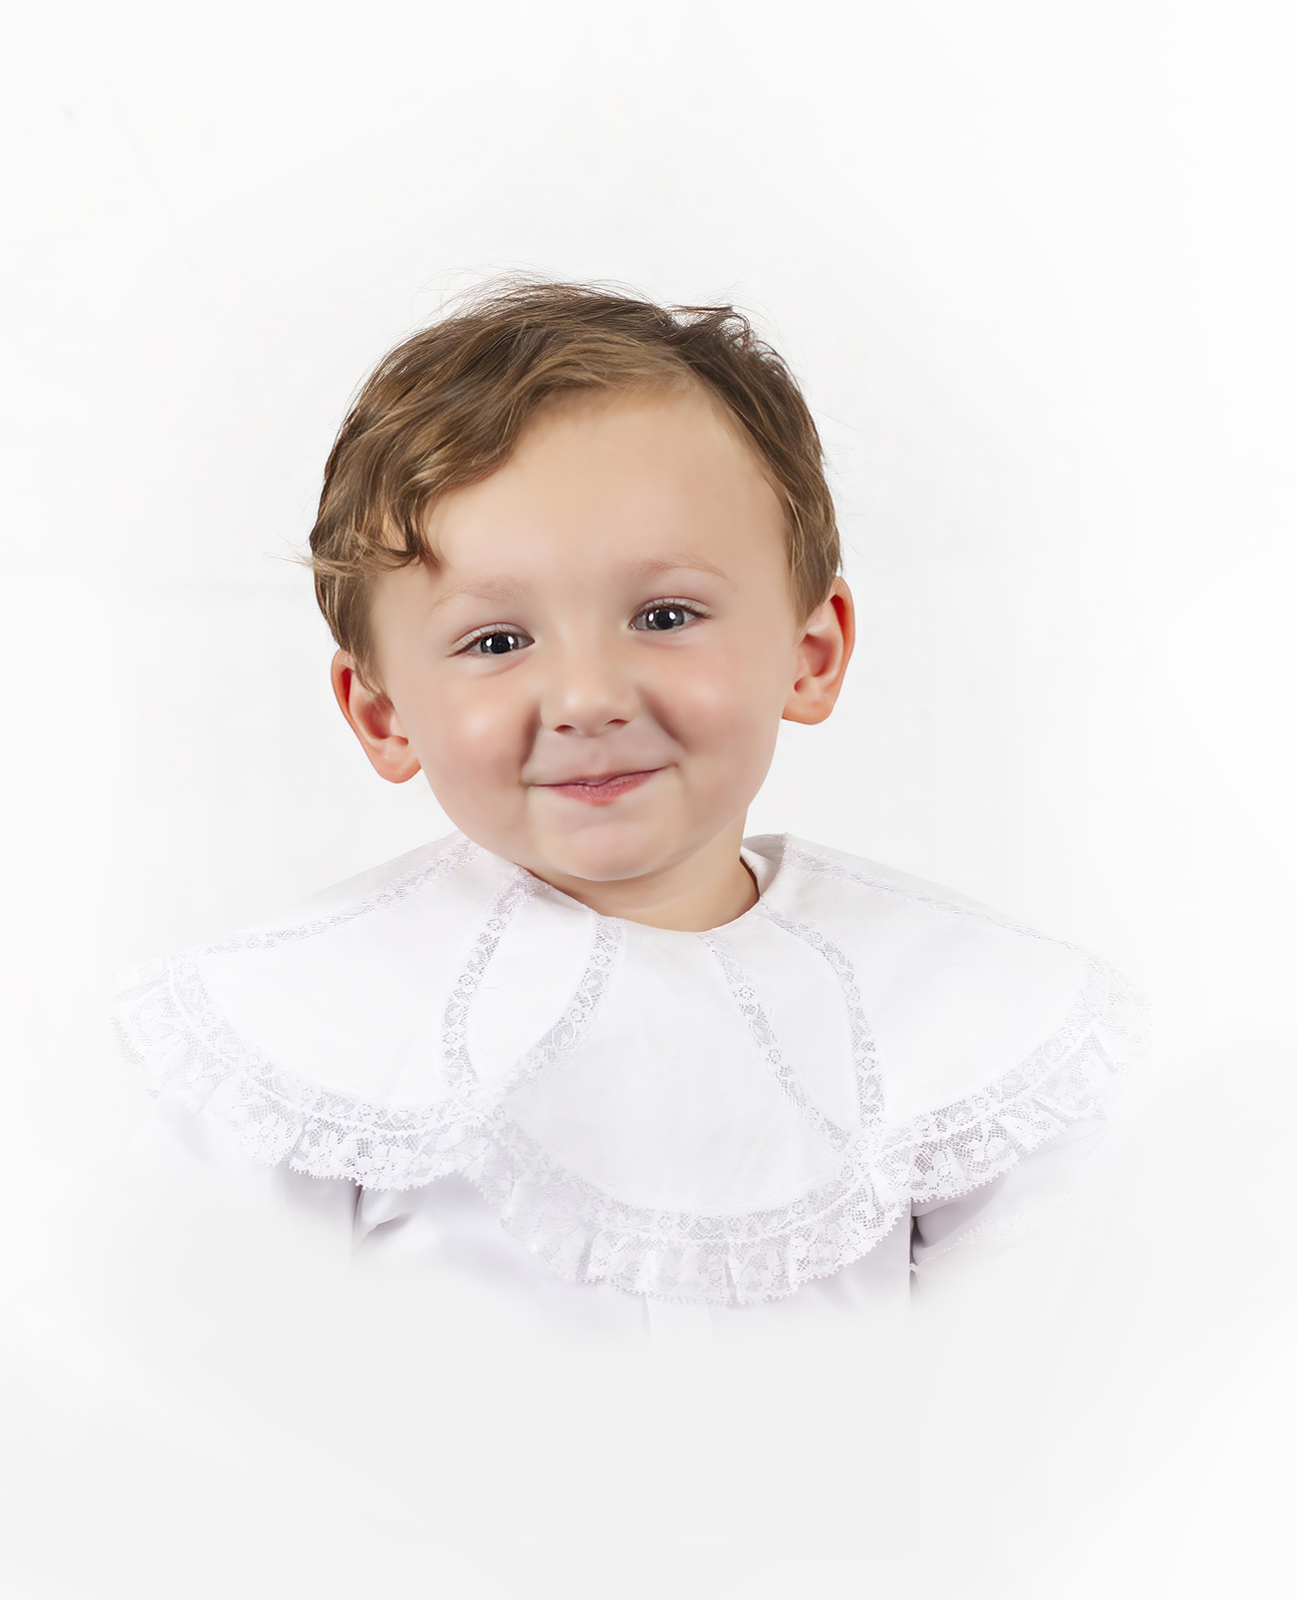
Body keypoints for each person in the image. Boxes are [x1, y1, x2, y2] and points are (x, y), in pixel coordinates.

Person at [112, 280, 1145, 1341]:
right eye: (496, 641)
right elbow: (182, 1399)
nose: (590, 698)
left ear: (810, 650)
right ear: (382, 714)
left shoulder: (954, 1015)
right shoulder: (301, 1033)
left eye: (664, 614)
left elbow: (1054, 1393)